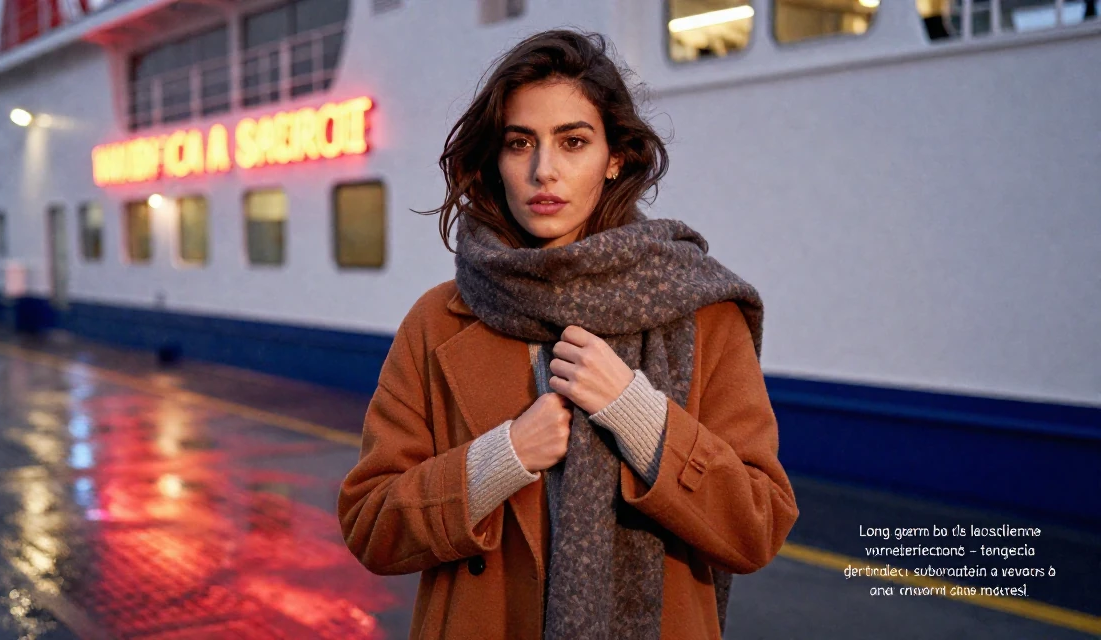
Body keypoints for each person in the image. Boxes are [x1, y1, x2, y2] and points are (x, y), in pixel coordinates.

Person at [337, 29, 799, 640]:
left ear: (614, 159)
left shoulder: (700, 310)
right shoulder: (439, 319)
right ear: (495, 160)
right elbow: (371, 524)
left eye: (573, 142)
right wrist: (497, 460)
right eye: (519, 143)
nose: (543, 170)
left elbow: (757, 526)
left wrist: (641, 418)